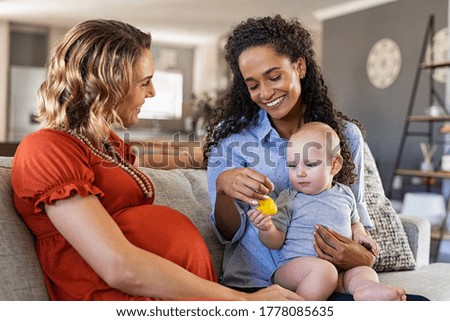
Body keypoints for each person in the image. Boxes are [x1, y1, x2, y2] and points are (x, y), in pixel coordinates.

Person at [10, 19, 301, 301]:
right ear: (107, 83)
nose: (152, 92)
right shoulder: (45, 149)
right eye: (144, 82)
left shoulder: (106, 144)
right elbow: (118, 266)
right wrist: (241, 300)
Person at [203, 15, 376, 296]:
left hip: (330, 281)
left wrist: (364, 256)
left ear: (300, 66)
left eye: (274, 76)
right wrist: (223, 187)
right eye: (253, 85)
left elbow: (356, 214)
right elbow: (227, 233)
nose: (266, 92)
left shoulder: (345, 135)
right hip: (254, 284)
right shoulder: (232, 139)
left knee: (416, 305)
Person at [247, 122, 407, 301]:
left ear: (335, 165)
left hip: (338, 271)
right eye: (292, 165)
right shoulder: (289, 198)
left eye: (310, 164)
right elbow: (275, 242)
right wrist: (266, 228)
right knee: (325, 271)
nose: (299, 173)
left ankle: (365, 290)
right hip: (294, 269)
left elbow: (355, 222)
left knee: (364, 271)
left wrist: (361, 234)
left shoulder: (345, 194)